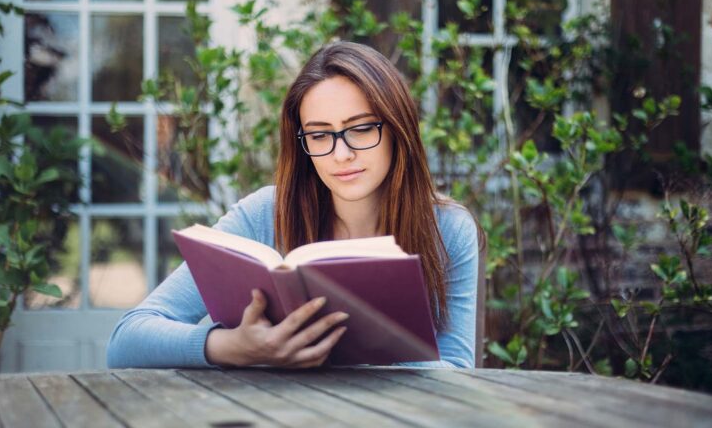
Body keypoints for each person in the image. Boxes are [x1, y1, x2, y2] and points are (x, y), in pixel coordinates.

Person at [107, 41, 480, 369]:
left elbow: (456, 370)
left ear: (398, 130)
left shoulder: (446, 228)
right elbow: (126, 340)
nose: (342, 154)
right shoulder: (263, 214)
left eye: (362, 128)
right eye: (320, 135)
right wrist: (233, 347)